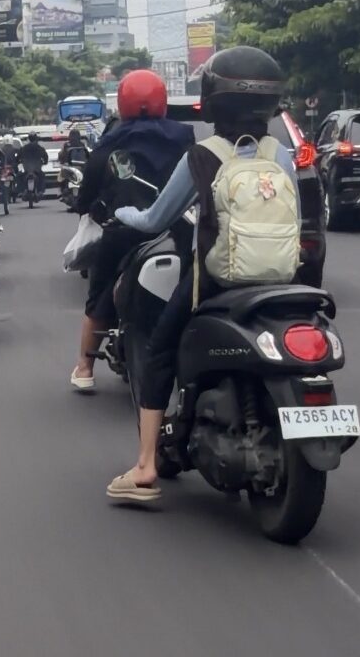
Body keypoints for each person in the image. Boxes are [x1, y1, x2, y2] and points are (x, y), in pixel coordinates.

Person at [105, 46, 297, 503]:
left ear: (211, 101)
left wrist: (123, 212)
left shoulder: (203, 156)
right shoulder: (282, 154)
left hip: (216, 281)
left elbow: (154, 220)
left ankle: (147, 464)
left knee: (159, 351)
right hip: (281, 282)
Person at [69, 70, 195, 393]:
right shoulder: (183, 138)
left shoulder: (110, 141)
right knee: (194, 286)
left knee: (98, 296)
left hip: (123, 232)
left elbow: (86, 193)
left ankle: (85, 367)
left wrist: (88, 207)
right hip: (176, 230)